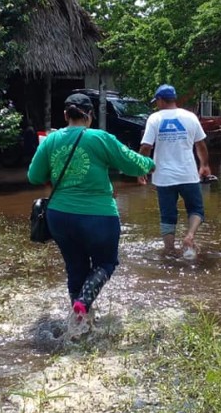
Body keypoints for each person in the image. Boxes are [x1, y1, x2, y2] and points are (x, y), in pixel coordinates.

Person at [28, 93, 155, 324]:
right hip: (98, 216)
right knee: (106, 263)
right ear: (90, 116)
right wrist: (151, 164)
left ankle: (77, 322)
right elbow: (134, 165)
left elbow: (34, 176)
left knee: (75, 268)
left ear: (65, 115)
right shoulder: (100, 138)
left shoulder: (50, 140)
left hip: (60, 217)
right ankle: (84, 302)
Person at [138, 84, 211, 256]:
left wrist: (140, 169)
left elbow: (146, 147)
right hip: (188, 175)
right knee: (196, 210)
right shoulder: (190, 117)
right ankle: (190, 236)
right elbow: (200, 144)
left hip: (164, 177)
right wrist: (204, 165)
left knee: (167, 215)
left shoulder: (154, 119)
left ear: (160, 100)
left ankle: (169, 250)